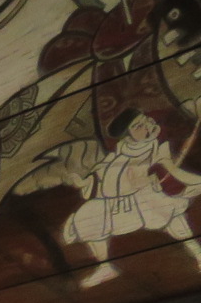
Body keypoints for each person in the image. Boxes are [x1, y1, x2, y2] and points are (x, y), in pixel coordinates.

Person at [63, 107, 201, 286]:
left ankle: (198, 254)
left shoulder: (158, 147)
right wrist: (83, 183)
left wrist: (197, 181)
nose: (147, 125)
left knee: (171, 218)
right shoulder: (122, 151)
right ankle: (105, 266)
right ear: (128, 136)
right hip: (116, 202)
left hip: (146, 197)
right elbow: (102, 172)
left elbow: (173, 170)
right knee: (87, 218)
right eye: (138, 126)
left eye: (145, 121)